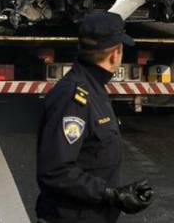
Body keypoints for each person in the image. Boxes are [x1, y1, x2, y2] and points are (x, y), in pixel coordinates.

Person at [36, 12, 153, 222]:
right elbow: (56, 170)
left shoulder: (92, 87)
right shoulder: (74, 97)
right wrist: (110, 195)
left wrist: (119, 193)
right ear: (115, 54)